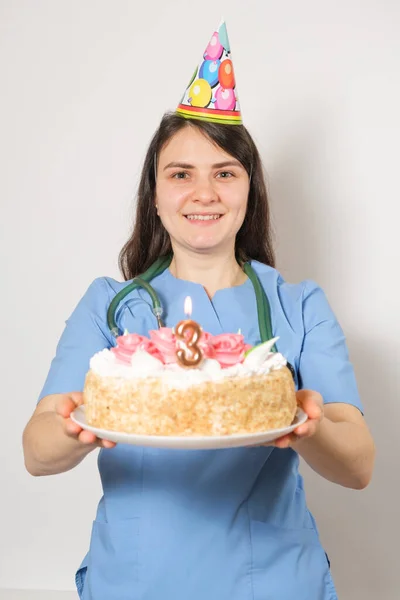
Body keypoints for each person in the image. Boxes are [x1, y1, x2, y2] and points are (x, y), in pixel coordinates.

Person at [22, 22, 375, 600]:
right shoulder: (109, 308)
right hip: (133, 584)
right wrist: (76, 426)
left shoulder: (300, 305)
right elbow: (37, 450)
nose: (203, 193)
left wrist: (306, 426)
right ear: (155, 195)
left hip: (274, 584)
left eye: (225, 174)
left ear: (248, 191)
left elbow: (358, 466)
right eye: (181, 174)